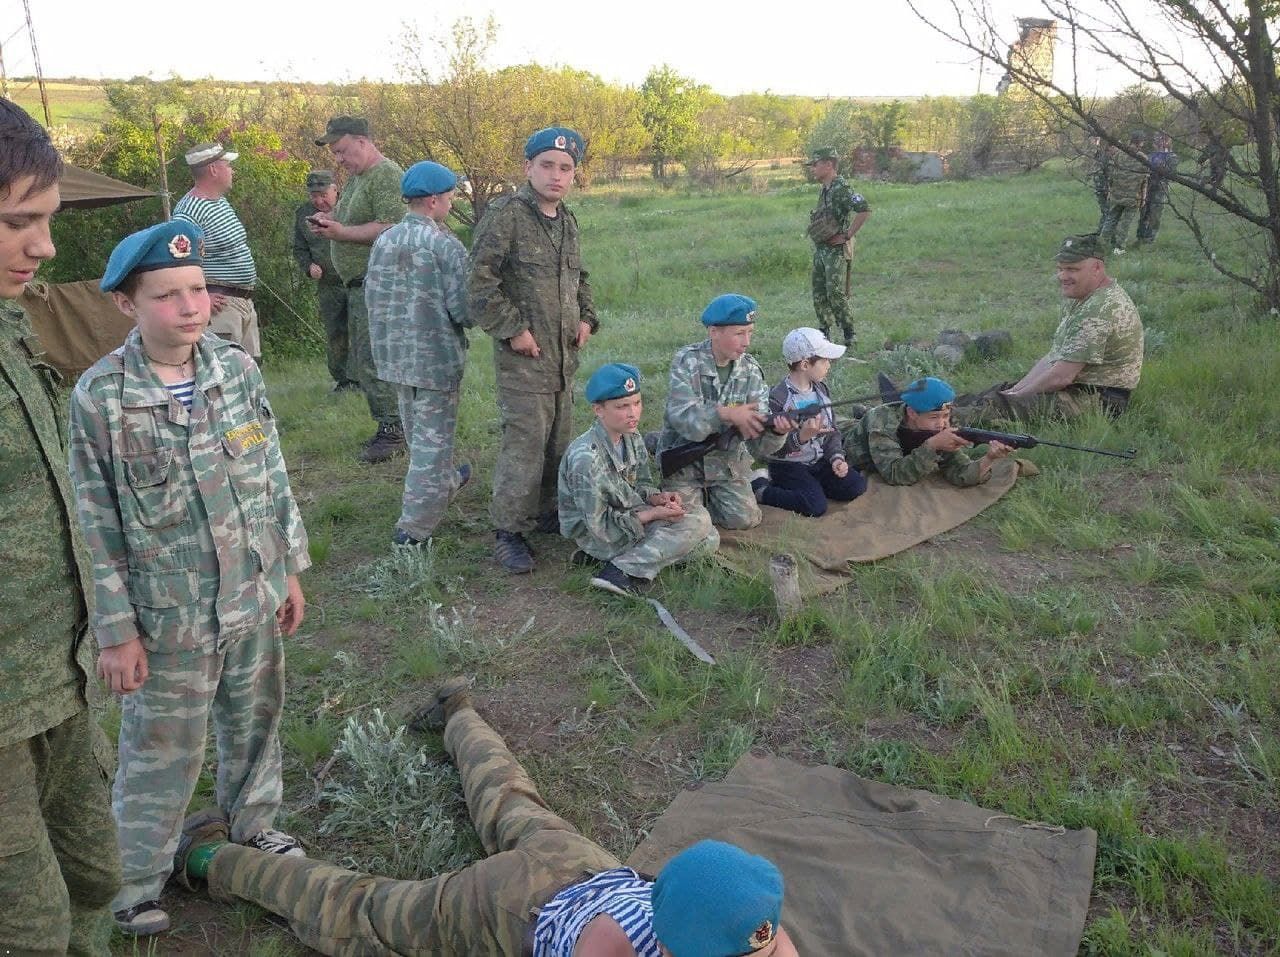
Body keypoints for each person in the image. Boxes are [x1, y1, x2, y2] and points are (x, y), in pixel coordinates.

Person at [67, 220, 312, 936]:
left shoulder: (235, 369)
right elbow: (95, 525)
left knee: (257, 718)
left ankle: (253, 823)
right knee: (162, 749)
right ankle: (135, 878)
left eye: (198, 289)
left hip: (251, 593)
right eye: (168, 294)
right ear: (126, 304)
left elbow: (270, 475)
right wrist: (116, 634)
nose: (190, 306)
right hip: (167, 619)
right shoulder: (102, 396)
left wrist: (288, 569)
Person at [172, 677, 799, 957]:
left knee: (505, 791)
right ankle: (208, 857)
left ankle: (456, 711)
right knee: (363, 912)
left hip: (584, 866)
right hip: (507, 904)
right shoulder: (613, 947)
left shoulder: (756, 933)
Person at [0, 95, 120, 957]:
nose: (44, 246)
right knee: (28, 924)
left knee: (95, 875)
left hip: (62, 671)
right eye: (18, 223)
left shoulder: (11, 322)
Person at [469, 126, 599, 574]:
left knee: (557, 441)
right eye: (547, 165)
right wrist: (513, 330)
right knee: (524, 444)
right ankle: (509, 530)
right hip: (524, 357)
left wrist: (587, 317)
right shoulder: (507, 215)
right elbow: (479, 283)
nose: (556, 175)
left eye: (566, 168)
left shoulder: (567, 221)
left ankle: (546, 512)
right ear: (528, 168)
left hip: (564, 357)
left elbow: (580, 278)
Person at [366, 161, 473, 547]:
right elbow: (465, 309)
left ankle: (446, 483)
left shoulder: (385, 240)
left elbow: (371, 298)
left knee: (418, 434)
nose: (451, 201)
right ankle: (413, 530)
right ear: (433, 200)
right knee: (432, 444)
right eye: (449, 196)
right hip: (434, 360)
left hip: (393, 358)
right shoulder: (445, 245)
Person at [559, 363, 718, 597]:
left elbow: (640, 483)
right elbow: (599, 526)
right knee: (698, 527)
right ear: (598, 410)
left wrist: (657, 498)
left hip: (627, 515)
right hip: (598, 534)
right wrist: (653, 515)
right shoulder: (586, 459)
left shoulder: (630, 436)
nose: (633, 413)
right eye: (622, 406)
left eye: (637, 403)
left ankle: (611, 559)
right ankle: (619, 572)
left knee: (709, 538)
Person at [952, 233, 1144, 422]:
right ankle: (935, 411)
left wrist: (1016, 399)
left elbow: (1061, 377)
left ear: (1096, 268)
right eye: (1060, 268)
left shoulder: (1100, 310)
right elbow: (1054, 357)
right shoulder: (1084, 298)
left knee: (997, 407)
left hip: (1098, 400)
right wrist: (1016, 391)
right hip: (1078, 389)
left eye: (1072, 269)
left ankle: (938, 423)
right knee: (997, 393)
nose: (1063, 276)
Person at [308, 116, 406, 463]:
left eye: (343, 151)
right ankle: (390, 425)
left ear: (363, 142)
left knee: (376, 359)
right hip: (358, 286)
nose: (339, 159)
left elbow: (394, 228)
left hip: (379, 284)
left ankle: (393, 430)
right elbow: (354, 218)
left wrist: (342, 233)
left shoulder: (386, 175)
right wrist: (331, 220)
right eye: (336, 153)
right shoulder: (357, 179)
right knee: (365, 359)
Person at [657, 294, 796, 531]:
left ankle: (709, 499)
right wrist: (725, 414)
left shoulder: (750, 370)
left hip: (725, 465)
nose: (747, 341)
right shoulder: (687, 362)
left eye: (750, 332)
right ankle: (658, 449)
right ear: (714, 332)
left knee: (745, 519)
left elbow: (758, 447)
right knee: (685, 523)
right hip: (683, 464)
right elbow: (682, 420)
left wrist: (777, 432)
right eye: (739, 333)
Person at [753, 328, 867, 517]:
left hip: (819, 460)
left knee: (855, 486)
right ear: (805, 364)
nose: (829, 365)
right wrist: (802, 437)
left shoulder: (821, 390)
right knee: (815, 507)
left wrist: (836, 458)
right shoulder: (777, 399)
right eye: (824, 360)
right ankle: (761, 488)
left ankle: (814, 486)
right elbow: (772, 450)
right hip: (788, 465)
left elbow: (832, 431)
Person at [172, 142, 261, 360]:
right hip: (221, 307)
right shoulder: (189, 212)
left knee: (249, 369)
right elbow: (177, 261)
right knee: (225, 367)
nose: (232, 170)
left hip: (243, 302)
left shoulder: (220, 202)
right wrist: (200, 296)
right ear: (213, 169)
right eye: (227, 165)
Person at [844, 376, 1013, 486]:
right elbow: (895, 474)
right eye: (934, 417)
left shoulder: (941, 425)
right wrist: (931, 446)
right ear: (912, 413)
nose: (941, 424)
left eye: (946, 415)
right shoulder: (881, 423)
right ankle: (863, 414)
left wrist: (989, 458)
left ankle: (862, 412)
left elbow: (960, 473)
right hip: (842, 442)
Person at [293, 169, 356, 392]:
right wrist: (309, 266)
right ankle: (343, 380)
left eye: (323, 194)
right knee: (336, 332)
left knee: (361, 331)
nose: (319, 200)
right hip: (329, 285)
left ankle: (365, 379)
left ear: (334, 190)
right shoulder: (304, 215)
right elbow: (299, 248)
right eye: (313, 195)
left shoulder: (351, 207)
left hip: (357, 281)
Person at [803, 147, 871, 348]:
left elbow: (864, 209)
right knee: (819, 291)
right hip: (821, 249)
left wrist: (848, 235)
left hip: (834, 250)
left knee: (834, 292)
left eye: (816, 164)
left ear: (829, 164)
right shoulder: (825, 188)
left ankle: (849, 332)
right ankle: (824, 332)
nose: (813, 168)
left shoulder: (841, 188)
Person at [1099, 131, 1148, 254]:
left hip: (1117, 194)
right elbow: (1145, 180)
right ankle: (1119, 248)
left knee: (1111, 219)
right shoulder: (1142, 158)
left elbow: (1111, 175)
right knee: (1125, 223)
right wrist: (1143, 197)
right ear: (1140, 143)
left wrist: (1110, 191)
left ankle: (1101, 244)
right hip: (1132, 197)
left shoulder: (1119, 155)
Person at [1137, 133, 1178, 244]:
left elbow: (1172, 174)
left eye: (1161, 140)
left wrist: (1163, 168)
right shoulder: (1152, 155)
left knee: (1155, 213)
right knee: (1144, 211)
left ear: (1167, 142)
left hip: (1160, 187)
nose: (1157, 142)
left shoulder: (1171, 156)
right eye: (1157, 140)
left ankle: (1150, 238)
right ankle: (1141, 235)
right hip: (1148, 186)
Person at [1087, 136, 1111, 232]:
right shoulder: (1103, 158)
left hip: (1102, 188)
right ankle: (1101, 233)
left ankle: (1102, 233)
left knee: (1107, 212)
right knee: (1107, 212)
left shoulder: (1102, 156)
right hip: (1102, 189)